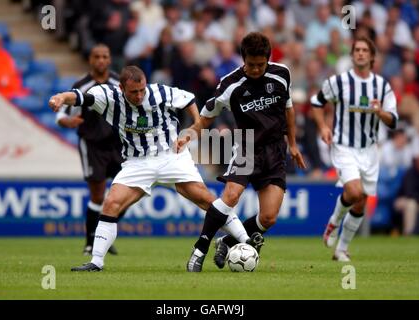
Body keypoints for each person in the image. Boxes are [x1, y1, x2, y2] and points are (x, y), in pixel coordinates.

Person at [49, 65, 255, 272]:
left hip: (171, 155)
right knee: (111, 203)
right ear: (121, 88)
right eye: (133, 92)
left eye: (142, 90)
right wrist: (60, 97)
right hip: (137, 162)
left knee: (206, 199)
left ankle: (247, 241)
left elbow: (189, 99)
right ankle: (96, 262)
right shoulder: (107, 95)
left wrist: (196, 126)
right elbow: (78, 97)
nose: (139, 96)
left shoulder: (160, 92)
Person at [177, 32, 306, 270]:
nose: (255, 70)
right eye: (250, 65)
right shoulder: (229, 84)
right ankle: (199, 249)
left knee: (268, 218)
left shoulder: (282, 74)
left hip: (276, 149)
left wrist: (293, 144)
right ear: (242, 59)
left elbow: (289, 110)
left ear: (268, 59)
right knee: (231, 196)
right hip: (247, 146)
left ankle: (226, 241)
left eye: (260, 65)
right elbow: (206, 119)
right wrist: (189, 133)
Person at [310, 36, 398, 262]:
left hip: (369, 150)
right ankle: (334, 222)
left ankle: (341, 249)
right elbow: (317, 103)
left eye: (364, 50)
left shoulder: (381, 86)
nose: (360, 53)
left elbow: (393, 120)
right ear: (352, 55)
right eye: (356, 50)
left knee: (361, 201)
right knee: (354, 191)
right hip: (343, 146)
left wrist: (380, 113)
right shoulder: (338, 82)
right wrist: (323, 126)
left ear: (372, 56)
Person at [56, 44, 122, 256]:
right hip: (92, 144)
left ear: (110, 59)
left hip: (118, 144)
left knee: (128, 191)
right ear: (90, 60)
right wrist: (66, 121)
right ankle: (89, 242)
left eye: (105, 56)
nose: (101, 60)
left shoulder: (118, 83)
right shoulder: (81, 85)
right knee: (97, 195)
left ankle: (103, 234)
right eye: (97, 57)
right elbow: (62, 114)